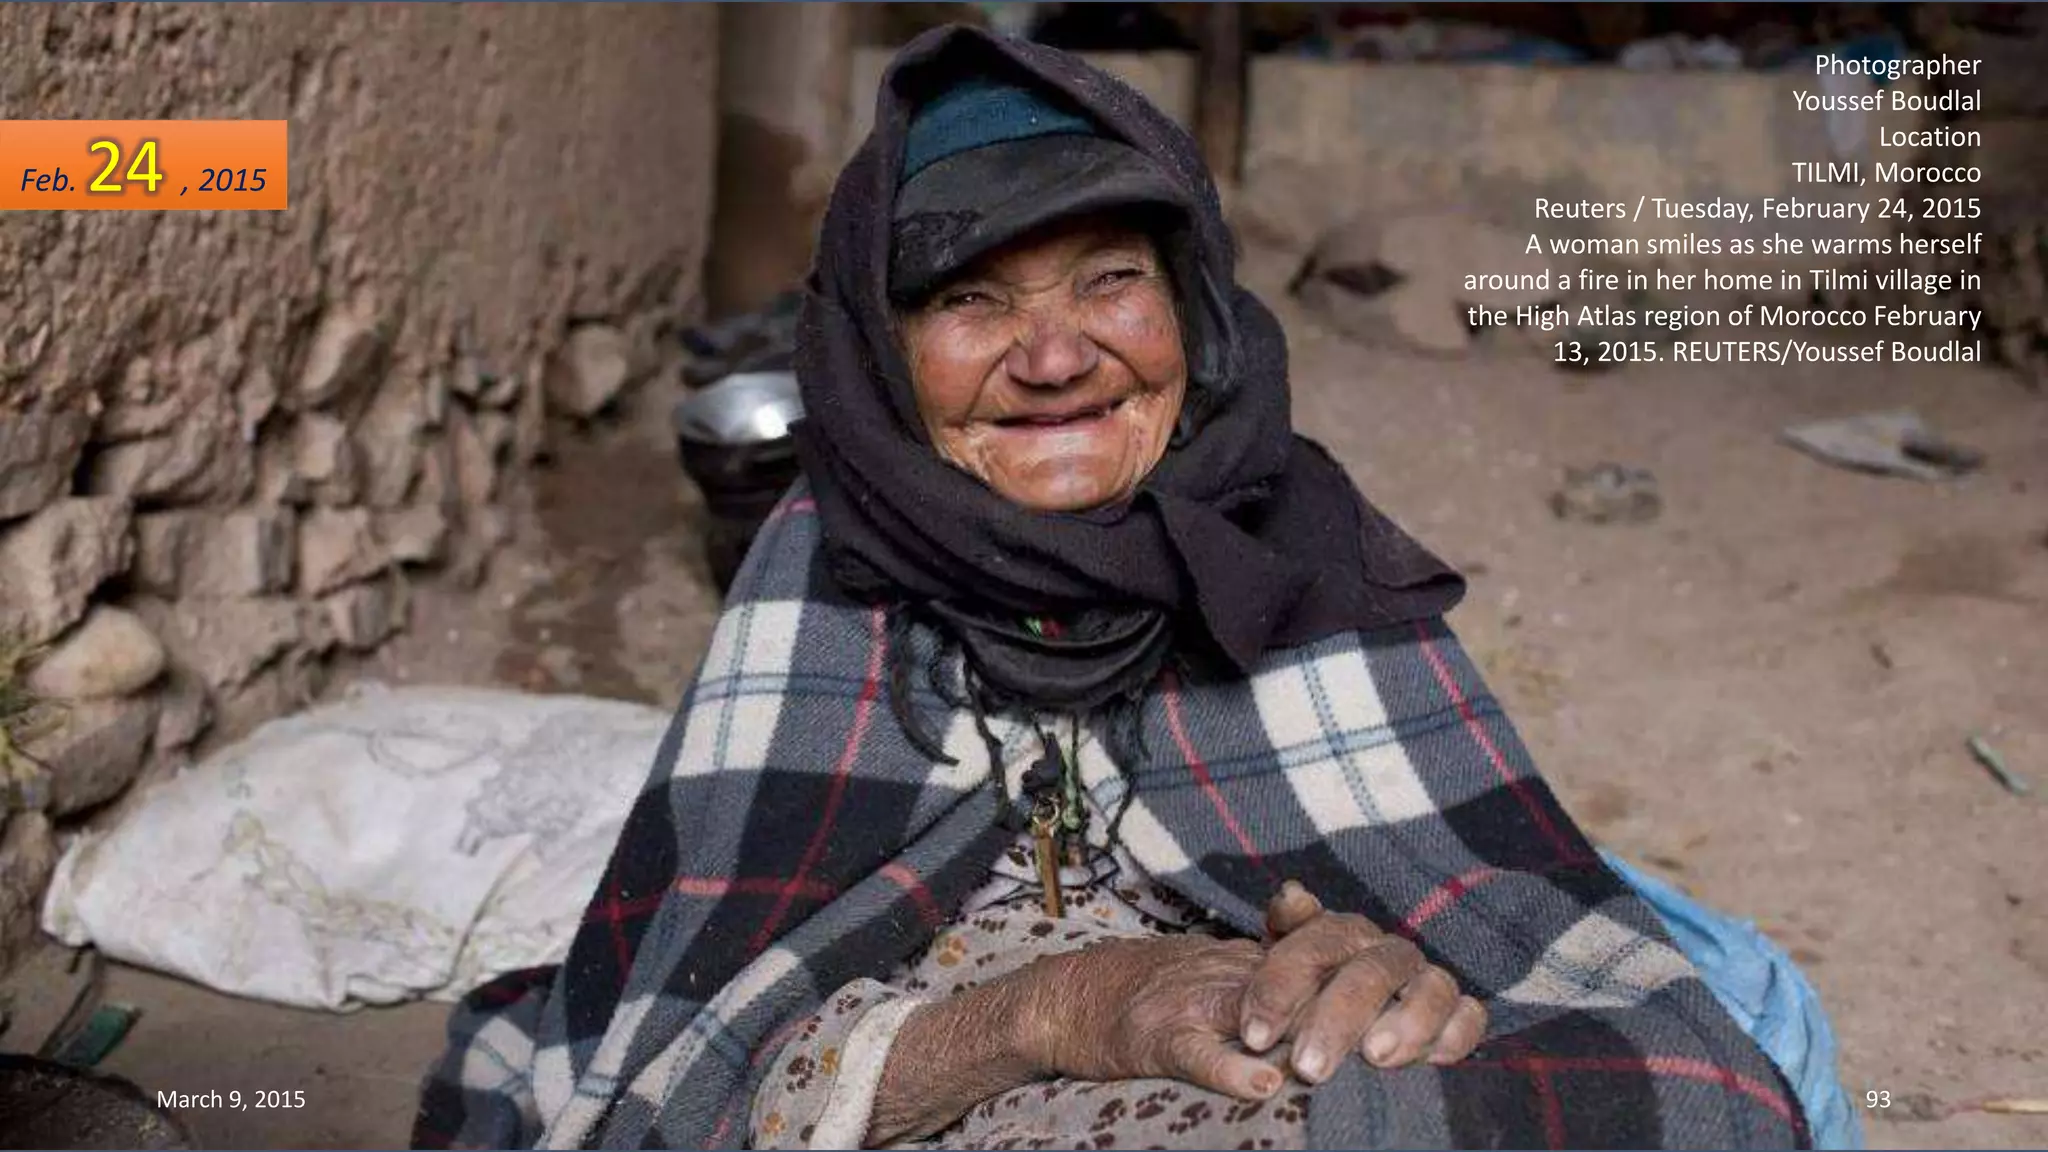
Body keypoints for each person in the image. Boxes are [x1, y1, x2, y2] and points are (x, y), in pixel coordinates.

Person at [415, 26, 1810, 1151]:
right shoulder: (821, 590)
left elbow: (1489, 905)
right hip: (939, 1092)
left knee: (1698, 1095)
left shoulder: (1296, 544)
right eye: (970, 300)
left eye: (1109, 280)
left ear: (1190, 312)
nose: (1055, 355)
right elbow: (678, 1071)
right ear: (881, 356)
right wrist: (1044, 1015)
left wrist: (1390, 964)